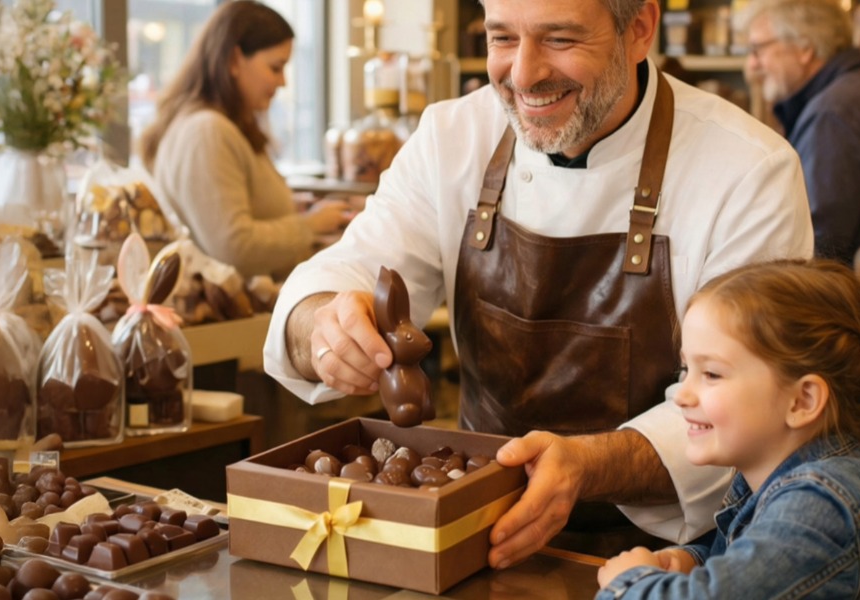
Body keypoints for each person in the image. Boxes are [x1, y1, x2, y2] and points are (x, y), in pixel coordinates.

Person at [264, 0, 814, 567]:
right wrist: (325, 324)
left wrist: (589, 464)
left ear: (640, 29)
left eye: (560, 39)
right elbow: (350, 269)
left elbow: (749, 406)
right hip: (473, 535)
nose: (523, 75)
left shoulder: (748, 171)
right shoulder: (452, 137)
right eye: (502, 38)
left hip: (668, 561)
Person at [596, 259, 860, 599]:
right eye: (685, 370)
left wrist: (630, 583)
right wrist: (690, 561)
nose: (682, 395)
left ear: (802, 401)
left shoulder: (822, 505)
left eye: (712, 374)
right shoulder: (775, 475)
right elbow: (750, 565)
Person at [139, 0, 348, 279]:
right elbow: (233, 247)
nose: (283, 82)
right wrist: (309, 226)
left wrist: (290, 206)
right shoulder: (208, 131)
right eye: (275, 68)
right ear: (235, 60)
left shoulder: (217, 127)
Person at [741, 0, 860, 264]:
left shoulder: (833, 113)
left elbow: (816, 245)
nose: (751, 65)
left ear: (804, 48)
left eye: (757, 49)